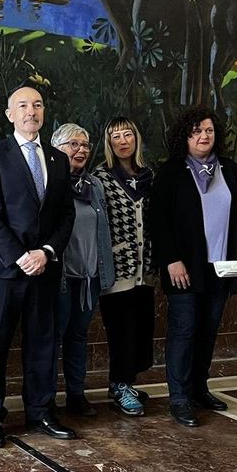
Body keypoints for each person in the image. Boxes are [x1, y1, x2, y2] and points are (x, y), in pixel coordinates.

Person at [0, 85, 77, 448]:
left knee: (43, 342)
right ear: (9, 114)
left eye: (37, 105)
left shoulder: (58, 159)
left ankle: (41, 411)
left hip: (45, 267)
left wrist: (46, 252)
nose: (30, 111)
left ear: (44, 112)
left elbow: (66, 214)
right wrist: (21, 256)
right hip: (5, 269)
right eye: (22, 105)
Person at [150, 107, 237, 428]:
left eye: (208, 130)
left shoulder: (230, 170)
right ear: (184, 137)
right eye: (196, 131)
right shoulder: (171, 172)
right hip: (184, 268)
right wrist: (170, 260)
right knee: (184, 330)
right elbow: (158, 221)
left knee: (208, 330)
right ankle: (178, 396)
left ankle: (199, 388)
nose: (203, 136)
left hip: (220, 266)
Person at [91, 117, 156, 417]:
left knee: (141, 328)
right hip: (117, 268)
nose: (122, 141)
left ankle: (126, 380)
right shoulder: (100, 179)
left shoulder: (149, 176)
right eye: (115, 136)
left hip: (146, 268)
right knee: (121, 329)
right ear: (109, 143)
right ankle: (120, 383)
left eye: (127, 134)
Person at [50, 123, 115, 417]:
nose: (81, 150)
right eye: (72, 144)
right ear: (56, 149)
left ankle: (76, 395)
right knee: (53, 340)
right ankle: (45, 400)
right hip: (60, 278)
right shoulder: (50, 184)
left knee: (78, 338)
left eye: (85, 145)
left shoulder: (95, 186)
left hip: (89, 277)